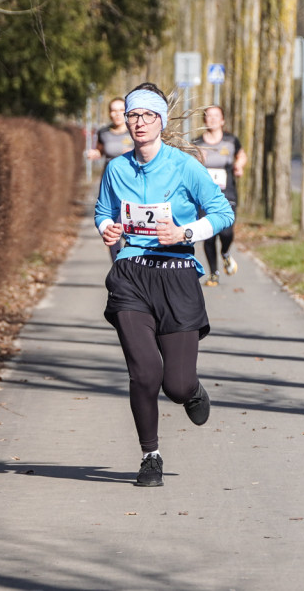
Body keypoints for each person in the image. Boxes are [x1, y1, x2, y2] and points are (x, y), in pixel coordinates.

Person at [94, 82, 234, 487]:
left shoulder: (184, 166)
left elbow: (222, 212)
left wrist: (186, 234)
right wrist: (108, 229)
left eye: (148, 116)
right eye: (134, 115)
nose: (139, 123)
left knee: (174, 383)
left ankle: (191, 390)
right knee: (144, 373)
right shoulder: (117, 168)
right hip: (131, 275)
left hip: (176, 277)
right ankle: (149, 456)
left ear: (161, 121)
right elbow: (103, 210)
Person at [192, 105, 246, 287]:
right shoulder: (197, 143)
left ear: (222, 120)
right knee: (208, 234)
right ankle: (213, 273)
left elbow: (241, 154)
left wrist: (239, 165)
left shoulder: (231, 140)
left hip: (227, 192)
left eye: (217, 116)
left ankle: (225, 252)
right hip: (204, 196)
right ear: (204, 120)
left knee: (226, 231)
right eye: (209, 116)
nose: (213, 119)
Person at [87, 97, 134, 261]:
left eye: (121, 110)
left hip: (130, 183)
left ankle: (134, 262)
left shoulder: (134, 131)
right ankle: (118, 266)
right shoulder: (104, 132)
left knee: (127, 223)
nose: (117, 114)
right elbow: (100, 150)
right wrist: (95, 154)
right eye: (113, 110)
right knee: (111, 223)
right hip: (109, 182)